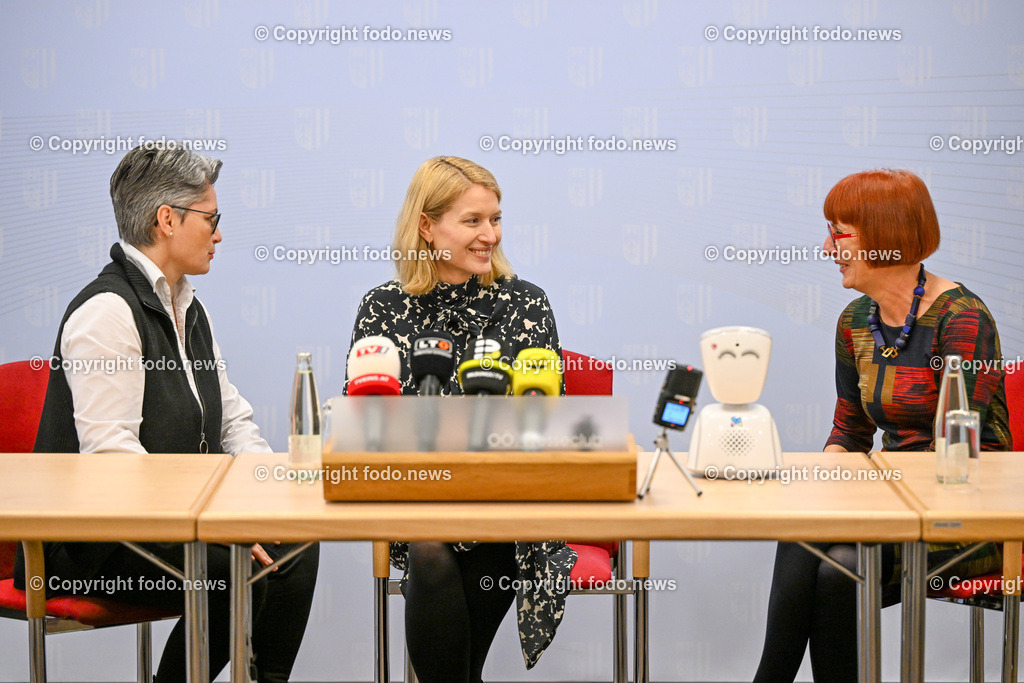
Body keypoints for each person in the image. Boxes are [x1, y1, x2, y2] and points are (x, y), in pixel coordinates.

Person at [14, 142, 319, 683]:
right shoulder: (106, 312)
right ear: (167, 219)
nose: (220, 233)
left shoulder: (188, 305)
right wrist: (208, 528)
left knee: (293, 546)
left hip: (173, 526)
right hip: (98, 543)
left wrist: (271, 493)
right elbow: (114, 462)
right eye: (212, 218)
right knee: (229, 569)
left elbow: (231, 422)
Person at [752, 169, 1011, 682]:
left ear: (886, 235)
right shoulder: (855, 321)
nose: (827, 248)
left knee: (837, 565)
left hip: (969, 517)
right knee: (816, 548)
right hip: (887, 508)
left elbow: (956, 451)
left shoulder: (961, 318)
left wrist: (866, 491)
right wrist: (821, 485)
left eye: (839, 233)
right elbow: (849, 431)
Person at [347, 156, 575, 683]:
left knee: (479, 541)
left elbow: (546, 425)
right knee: (430, 548)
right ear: (426, 227)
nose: (489, 235)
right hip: (420, 500)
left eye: (495, 219)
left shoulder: (526, 303)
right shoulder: (384, 308)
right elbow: (365, 423)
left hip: (508, 507)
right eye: (473, 221)